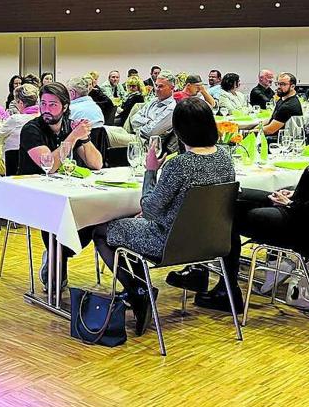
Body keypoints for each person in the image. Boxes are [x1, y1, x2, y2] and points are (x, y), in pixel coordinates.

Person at [196, 93, 309, 311]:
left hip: (307, 231)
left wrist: (290, 204)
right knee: (235, 195)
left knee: (228, 213)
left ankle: (226, 288)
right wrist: (293, 197)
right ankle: (215, 279)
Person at [93, 98, 235, 335]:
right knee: (129, 227)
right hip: (211, 242)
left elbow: (150, 209)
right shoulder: (224, 157)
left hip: (169, 243)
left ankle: (139, 290)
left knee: (101, 231)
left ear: (178, 130)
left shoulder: (179, 165)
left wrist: (150, 171)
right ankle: (138, 288)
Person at [18, 83, 103, 289]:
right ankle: (56, 261)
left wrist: (83, 137)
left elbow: (96, 163)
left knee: (97, 216)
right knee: (56, 213)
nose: (46, 109)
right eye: (43, 104)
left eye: (53, 105)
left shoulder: (69, 125)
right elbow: (50, 165)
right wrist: (73, 137)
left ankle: (58, 255)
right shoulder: (31, 129)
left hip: (67, 190)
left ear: (65, 106)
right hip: (33, 192)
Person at [0, 84, 40, 175]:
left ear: (20, 102)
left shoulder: (15, 119)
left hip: (14, 165)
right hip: (36, 166)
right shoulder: (42, 118)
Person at [131, 75, 176, 140]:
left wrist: (139, 124)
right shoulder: (153, 100)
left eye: (160, 86)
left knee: (110, 135)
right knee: (111, 129)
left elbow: (150, 133)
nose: (157, 89)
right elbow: (133, 119)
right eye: (156, 85)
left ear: (172, 88)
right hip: (135, 135)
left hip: (146, 142)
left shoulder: (171, 108)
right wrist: (149, 121)